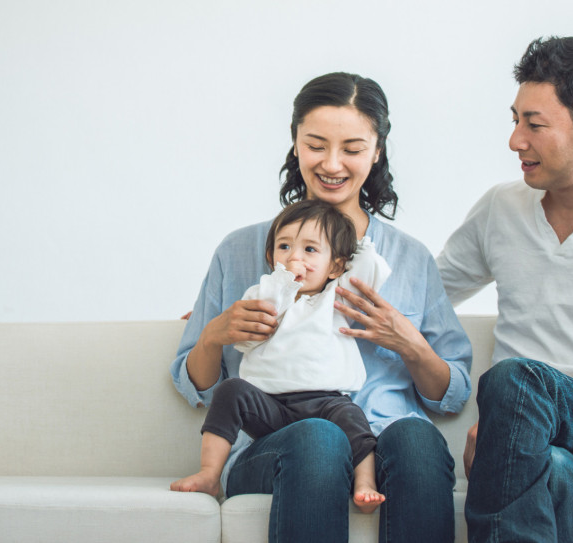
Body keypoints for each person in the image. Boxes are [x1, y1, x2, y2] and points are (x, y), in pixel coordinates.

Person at [171, 72, 473, 543]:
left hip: (388, 434)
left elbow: (451, 395)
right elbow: (197, 387)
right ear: (295, 143)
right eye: (316, 145)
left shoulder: (409, 259)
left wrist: (410, 343)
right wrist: (214, 336)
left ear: (377, 152)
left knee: (417, 441)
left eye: (352, 148)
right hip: (279, 440)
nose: (332, 164)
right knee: (320, 436)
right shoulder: (239, 250)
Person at [436, 36, 573, 542]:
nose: (516, 140)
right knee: (554, 472)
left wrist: (520, 416)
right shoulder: (501, 208)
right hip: (530, 449)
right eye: (515, 120)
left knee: (517, 382)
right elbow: (422, 296)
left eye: (534, 125)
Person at [171, 199, 390, 513]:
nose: (294, 257)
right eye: (284, 247)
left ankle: (364, 483)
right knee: (230, 392)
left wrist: (360, 244)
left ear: (335, 267)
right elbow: (248, 339)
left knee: (353, 418)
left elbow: (369, 270)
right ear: (270, 257)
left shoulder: (336, 299)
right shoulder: (263, 295)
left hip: (326, 403)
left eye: (310, 249)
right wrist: (285, 281)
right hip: (270, 405)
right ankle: (210, 473)